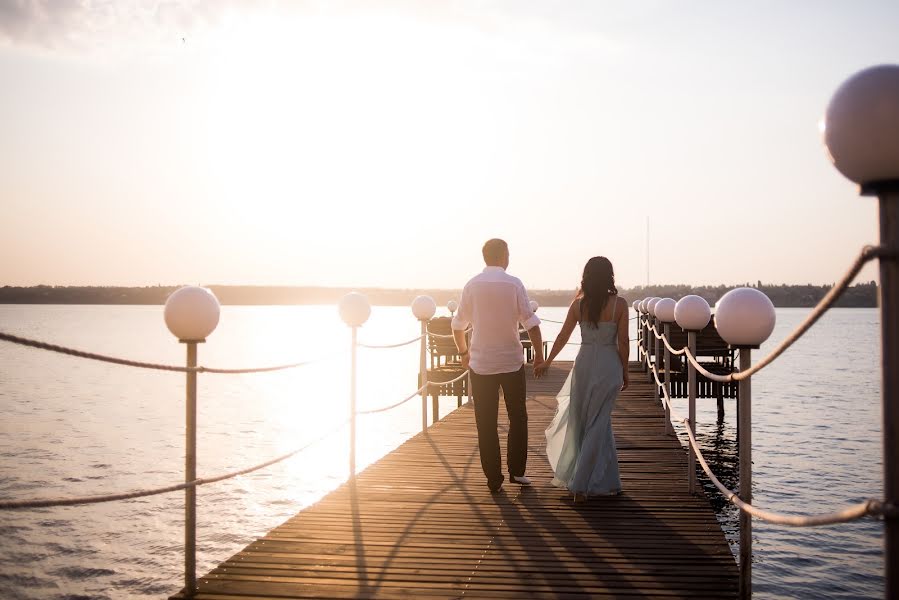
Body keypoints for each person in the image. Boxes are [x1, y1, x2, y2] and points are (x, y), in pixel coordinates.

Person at [452, 238, 544, 493]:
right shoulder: (514, 284)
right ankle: (517, 472)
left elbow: (457, 325)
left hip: (480, 363)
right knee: (518, 417)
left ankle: (494, 479)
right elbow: (531, 323)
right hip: (511, 362)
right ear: (503, 255)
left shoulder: (472, 285)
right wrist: (538, 355)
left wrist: (463, 352)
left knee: (486, 422)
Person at [535, 256, 629, 503]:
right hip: (609, 365)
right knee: (599, 422)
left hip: (585, 364)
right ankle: (581, 484)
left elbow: (563, 336)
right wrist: (625, 370)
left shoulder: (578, 305)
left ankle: (607, 481)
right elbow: (624, 341)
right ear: (609, 275)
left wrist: (548, 360)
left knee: (585, 422)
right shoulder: (620, 305)